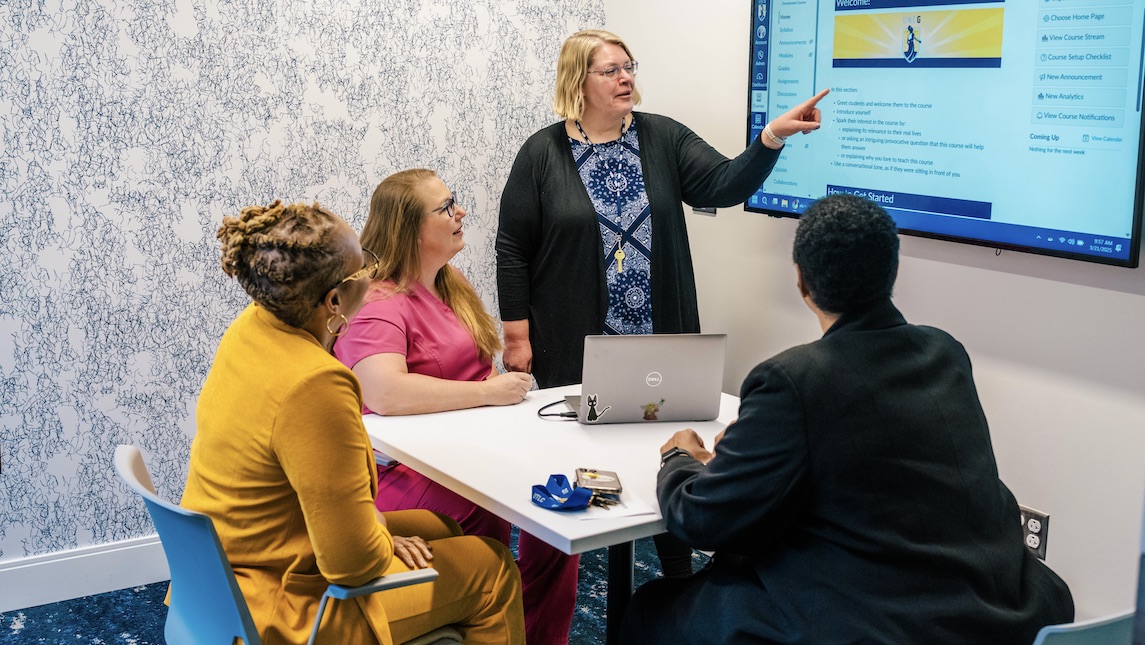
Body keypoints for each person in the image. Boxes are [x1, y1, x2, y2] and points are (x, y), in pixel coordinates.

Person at [619, 194, 1076, 644]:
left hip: (872, 621)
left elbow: (702, 520)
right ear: (891, 273)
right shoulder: (945, 352)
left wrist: (680, 458)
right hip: (995, 609)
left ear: (801, 282)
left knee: (650, 608)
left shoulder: (792, 380)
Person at [496, 26, 828, 580]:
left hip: (660, 337)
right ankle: (559, 585)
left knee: (667, 453)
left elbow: (722, 184)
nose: (627, 78)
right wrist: (516, 337)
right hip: (576, 341)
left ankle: (676, 579)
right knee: (574, 460)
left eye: (630, 67)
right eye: (612, 70)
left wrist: (770, 137)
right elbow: (513, 248)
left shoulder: (661, 138)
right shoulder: (542, 153)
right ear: (579, 81)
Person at [184, 200, 525, 645]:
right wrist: (378, 541)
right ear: (334, 301)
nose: (372, 272)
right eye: (364, 266)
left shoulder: (250, 327)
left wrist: (375, 532)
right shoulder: (316, 383)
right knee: (493, 568)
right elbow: (353, 564)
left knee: (443, 528)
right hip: (283, 609)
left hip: (223, 577)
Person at [332, 169, 575, 645]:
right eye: (445, 207)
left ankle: (528, 632)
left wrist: (493, 392)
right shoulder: (379, 301)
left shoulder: (448, 282)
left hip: (472, 452)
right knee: (522, 522)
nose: (460, 212)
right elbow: (385, 393)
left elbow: (472, 370)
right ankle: (496, 616)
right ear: (410, 230)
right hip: (416, 473)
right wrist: (487, 393)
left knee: (557, 528)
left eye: (455, 201)